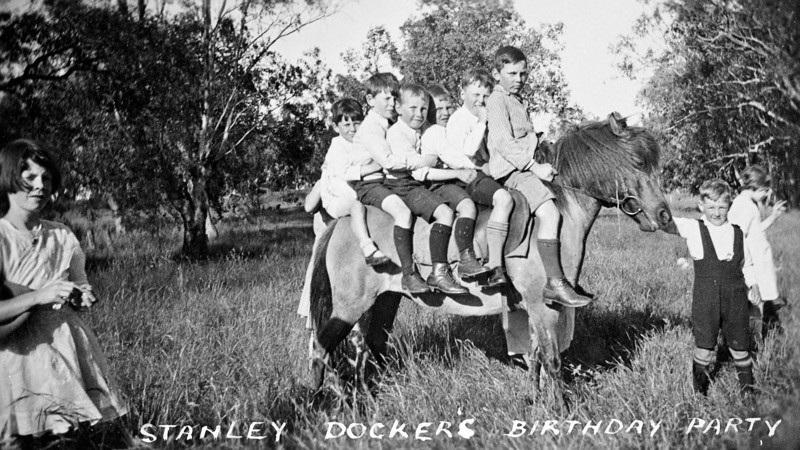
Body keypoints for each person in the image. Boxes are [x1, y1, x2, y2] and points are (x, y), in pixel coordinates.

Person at [0, 139, 128, 444]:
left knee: (68, 440)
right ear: (7, 180)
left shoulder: (61, 234)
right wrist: (38, 296)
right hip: (17, 359)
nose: (40, 186)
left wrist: (82, 294)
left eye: (46, 178)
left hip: (65, 352)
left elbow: (79, 282)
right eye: (29, 177)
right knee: (22, 439)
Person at [485, 45, 591, 307]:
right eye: (512, 74)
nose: (519, 79)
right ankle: (554, 282)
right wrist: (535, 167)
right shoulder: (496, 100)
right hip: (511, 171)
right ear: (496, 74)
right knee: (550, 213)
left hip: (523, 167)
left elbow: (526, 136)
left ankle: (556, 272)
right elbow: (504, 143)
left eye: (523, 74)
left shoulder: (517, 100)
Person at [384, 83, 491, 294]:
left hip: (426, 180)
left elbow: (451, 155)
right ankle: (438, 272)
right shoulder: (401, 134)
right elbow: (420, 172)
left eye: (423, 109)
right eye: (413, 108)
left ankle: (467, 258)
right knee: (445, 213)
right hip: (406, 185)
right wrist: (459, 171)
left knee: (468, 205)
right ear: (399, 108)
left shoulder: (425, 130)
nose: (419, 114)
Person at [673, 179, 759, 395]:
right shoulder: (693, 228)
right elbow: (665, 221)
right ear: (701, 206)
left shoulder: (738, 233)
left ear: (729, 205)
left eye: (722, 207)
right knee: (704, 348)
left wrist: (754, 285)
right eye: (711, 207)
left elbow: (747, 264)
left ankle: (747, 392)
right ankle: (699, 394)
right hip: (706, 299)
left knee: (740, 348)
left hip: (736, 298)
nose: (717, 212)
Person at [431, 69, 514, 287]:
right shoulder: (460, 119)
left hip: (482, 172)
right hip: (467, 177)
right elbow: (467, 151)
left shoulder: (481, 117)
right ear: (462, 94)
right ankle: (495, 266)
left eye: (485, 96)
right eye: (475, 95)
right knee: (503, 199)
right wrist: (482, 122)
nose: (481, 101)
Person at [351, 73, 430, 294]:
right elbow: (388, 161)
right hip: (370, 185)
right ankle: (409, 274)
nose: (392, 103)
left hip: (386, 180)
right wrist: (421, 161)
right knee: (402, 212)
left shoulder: (389, 123)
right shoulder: (370, 128)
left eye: (395, 98)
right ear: (370, 100)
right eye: (386, 98)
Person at [312, 97, 390, 267]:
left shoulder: (363, 141)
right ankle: (367, 247)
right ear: (336, 127)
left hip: (354, 191)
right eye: (346, 125)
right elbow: (347, 173)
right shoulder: (337, 146)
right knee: (356, 207)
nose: (353, 129)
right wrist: (377, 166)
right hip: (337, 198)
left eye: (357, 123)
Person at [728, 165, 787, 308]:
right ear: (756, 187)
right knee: (756, 293)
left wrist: (773, 217)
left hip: (759, 256)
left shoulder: (748, 203)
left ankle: (763, 312)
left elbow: (755, 229)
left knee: (762, 290)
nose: (766, 194)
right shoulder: (744, 206)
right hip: (753, 258)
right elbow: (738, 236)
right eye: (765, 190)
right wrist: (745, 263)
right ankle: (759, 317)